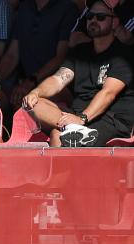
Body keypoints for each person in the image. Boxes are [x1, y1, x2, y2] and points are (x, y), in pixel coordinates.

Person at [23, 0, 134, 147]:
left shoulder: (123, 55)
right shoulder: (80, 51)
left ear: (114, 23)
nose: (93, 20)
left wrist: (82, 118)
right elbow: (58, 79)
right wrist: (35, 92)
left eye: (100, 17)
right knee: (34, 103)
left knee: (57, 135)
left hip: (111, 120)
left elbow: (108, 93)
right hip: (78, 118)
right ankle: (73, 129)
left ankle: (75, 131)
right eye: (90, 16)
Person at [0, 0, 79, 114]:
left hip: (58, 85)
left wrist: (31, 82)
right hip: (25, 85)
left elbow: (60, 57)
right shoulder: (25, 7)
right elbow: (12, 56)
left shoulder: (67, 8)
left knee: (25, 105)